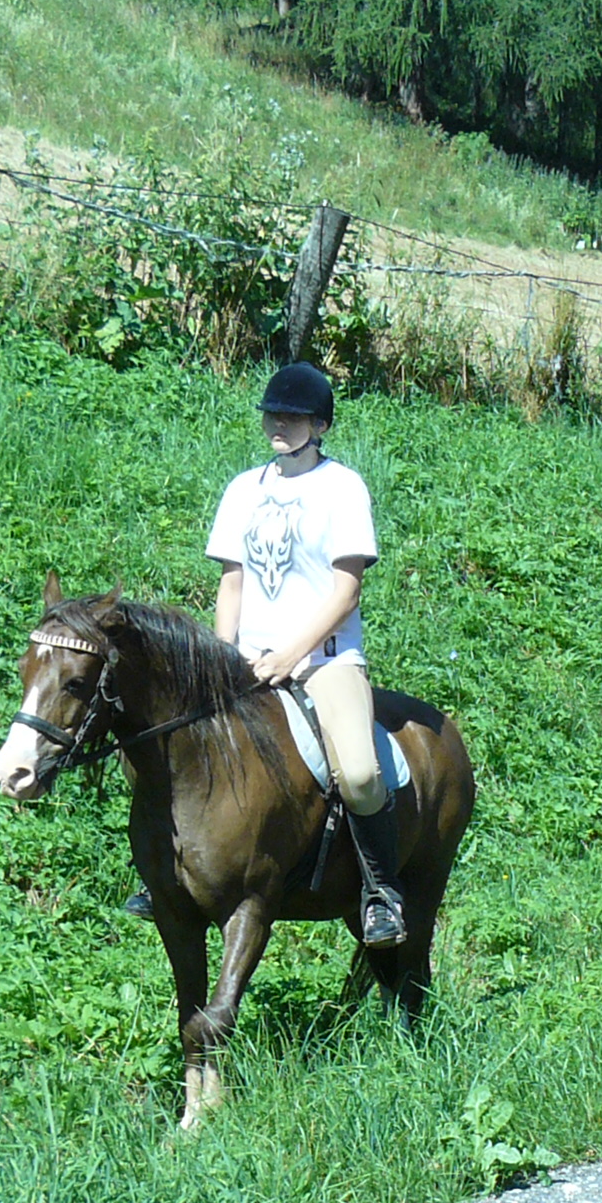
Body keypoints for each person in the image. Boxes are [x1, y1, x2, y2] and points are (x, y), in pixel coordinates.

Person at [187, 361, 408, 945]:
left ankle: (380, 892)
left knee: (360, 773)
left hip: (326, 662)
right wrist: (222, 657)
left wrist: (291, 654)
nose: (279, 423)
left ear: (320, 424)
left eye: (293, 415)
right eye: (273, 414)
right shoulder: (244, 489)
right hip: (248, 661)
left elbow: (347, 590)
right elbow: (232, 582)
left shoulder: (343, 487)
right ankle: (170, 875)